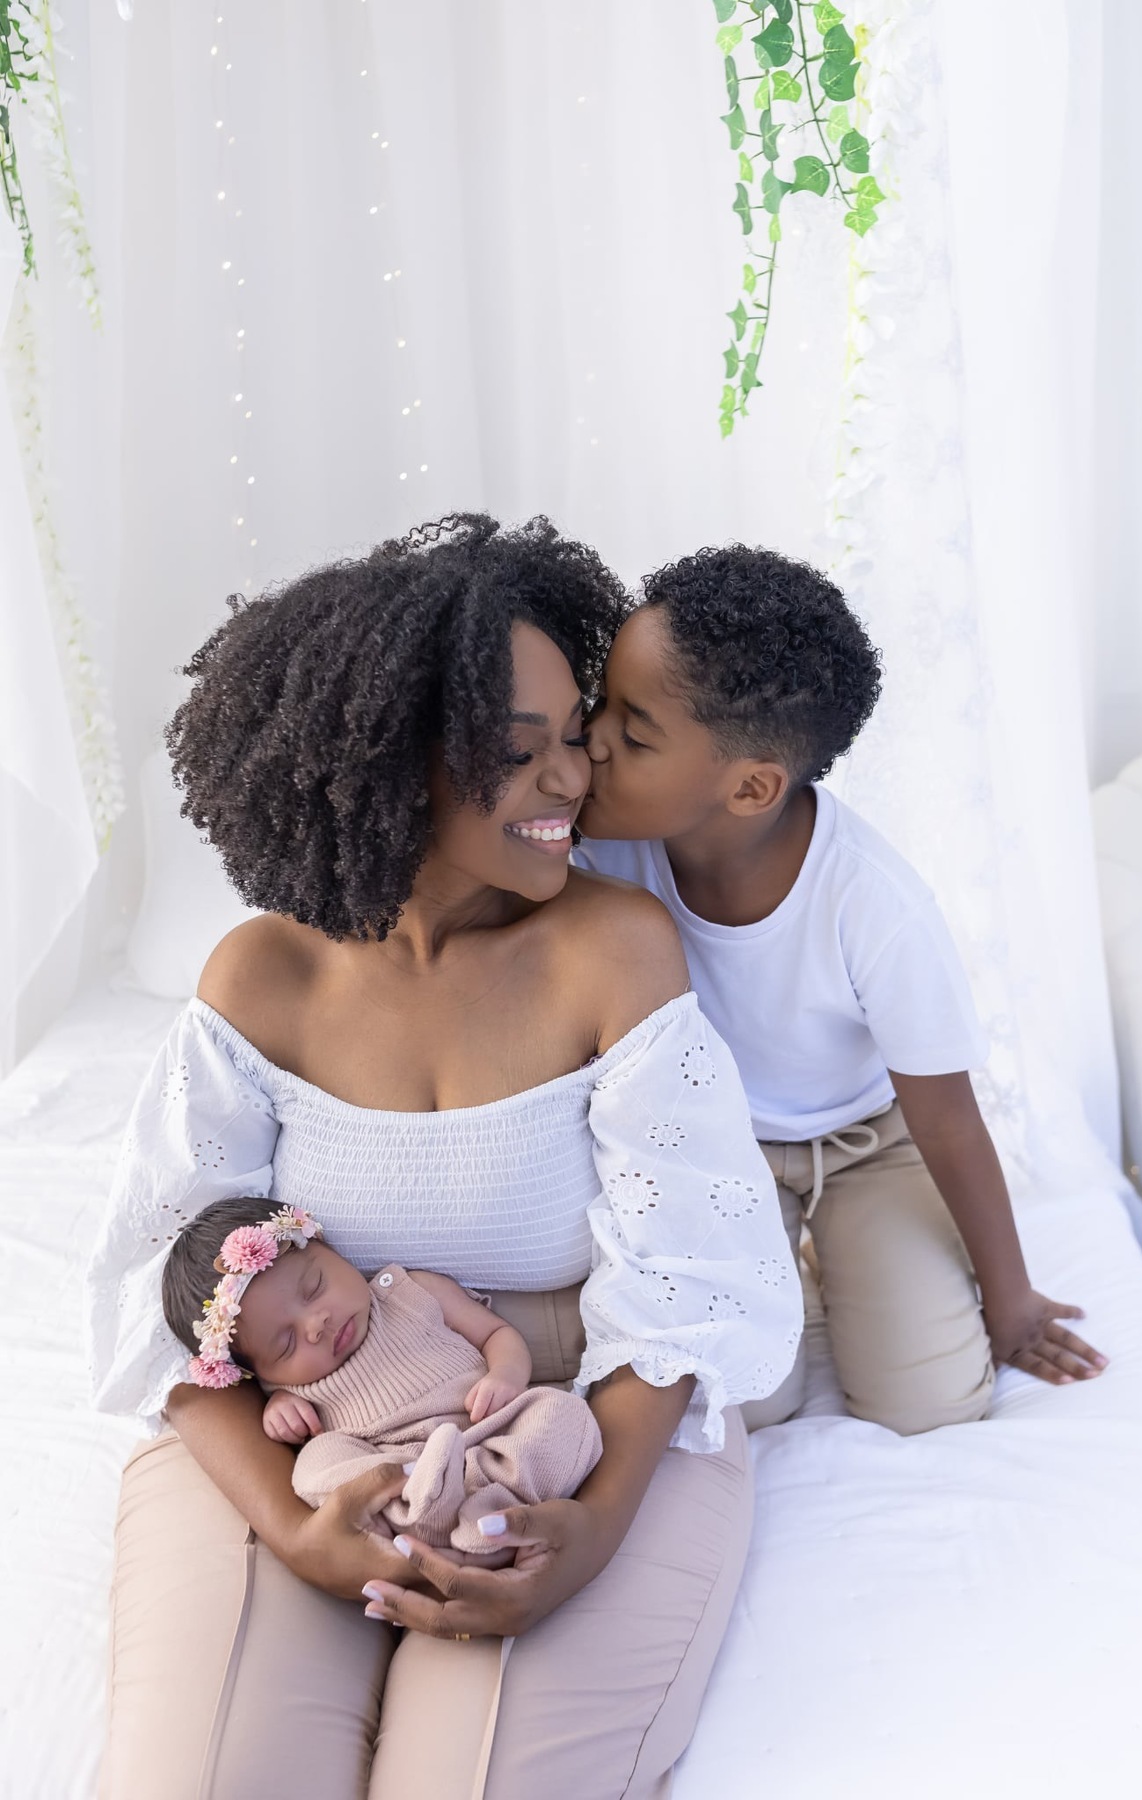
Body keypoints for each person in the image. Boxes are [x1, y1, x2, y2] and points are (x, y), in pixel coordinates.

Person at [87, 514, 803, 1800]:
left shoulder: (614, 950)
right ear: (388, 770)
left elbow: (686, 1286)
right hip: (310, 1437)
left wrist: (584, 1536)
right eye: (515, 758)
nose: (571, 782)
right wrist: (299, 1532)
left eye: (574, 739)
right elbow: (167, 1299)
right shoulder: (268, 977)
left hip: (579, 1419)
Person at [576, 544, 1107, 1438]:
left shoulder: (873, 903)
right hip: (726, 1150)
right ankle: (803, 1259)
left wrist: (1010, 1298)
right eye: (602, 702)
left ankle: (856, 1250)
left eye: (632, 734)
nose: (590, 740)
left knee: (931, 1404)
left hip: (873, 1147)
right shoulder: (605, 849)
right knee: (746, 1400)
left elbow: (946, 1118)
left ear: (750, 787)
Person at [161, 1196, 603, 1556]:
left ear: (327, 1248)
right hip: (404, 1471)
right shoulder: (283, 1388)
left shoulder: (412, 1291)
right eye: (285, 1344)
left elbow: (496, 1333)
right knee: (314, 1465)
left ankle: (491, 1514)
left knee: (562, 1412)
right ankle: (440, 1518)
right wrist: (279, 1408)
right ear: (259, 1371)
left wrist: (506, 1374)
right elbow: (295, 1431)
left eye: (315, 1288)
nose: (316, 1325)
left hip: (493, 1431)